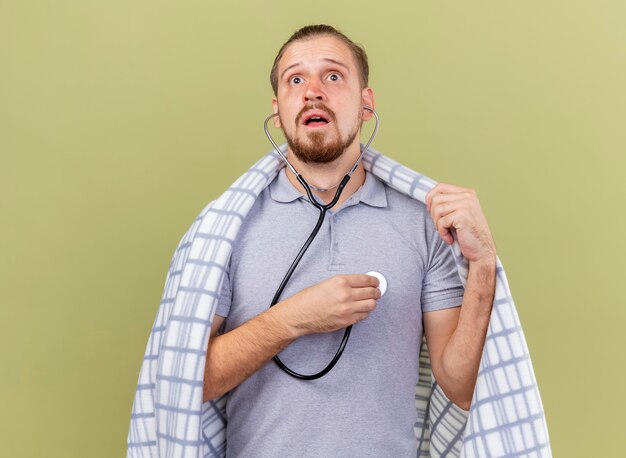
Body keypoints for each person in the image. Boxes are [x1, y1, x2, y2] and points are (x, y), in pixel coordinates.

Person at [202, 24, 497, 456]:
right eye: (295, 79)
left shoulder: (423, 224)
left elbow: (460, 388)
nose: (313, 91)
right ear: (279, 108)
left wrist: (484, 264)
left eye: (333, 76)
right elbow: (193, 380)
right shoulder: (227, 228)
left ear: (366, 103)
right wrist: (293, 320)